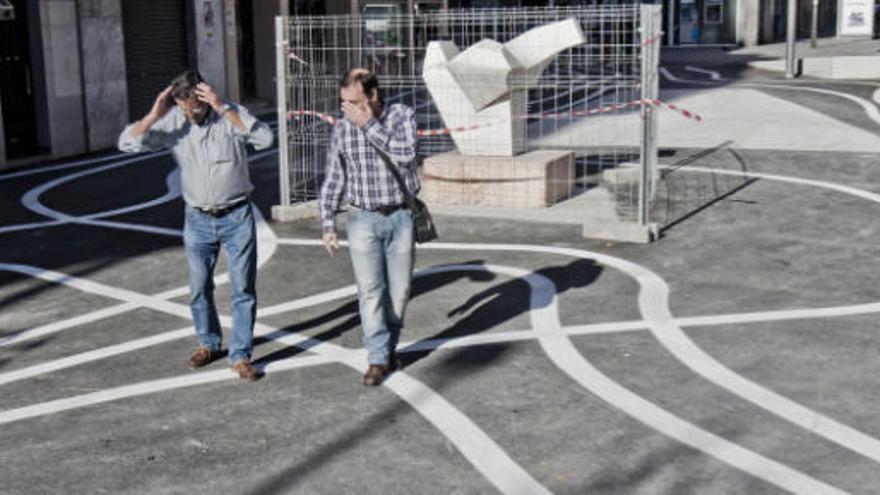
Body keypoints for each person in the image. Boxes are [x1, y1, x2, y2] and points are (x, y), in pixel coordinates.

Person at [118, 70, 273, 380]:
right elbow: (127, 143)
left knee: (243, 288)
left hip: (236, 214)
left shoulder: (227, 112)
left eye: (196, 107)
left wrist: (222, 108)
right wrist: (153, 114)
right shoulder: (174, 122)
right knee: (198, 287)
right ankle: (209, 343)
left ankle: (240, 355)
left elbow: (264, 138)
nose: (191, 114)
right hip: (198, 219)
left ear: (204, 96)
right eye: (185, 108)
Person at [319, 68, 419, 386]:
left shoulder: (402, 115)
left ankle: (388, 347)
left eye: (353, 102)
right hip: (361, 218)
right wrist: (328, 223)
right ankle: (377, 357)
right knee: (370, 292)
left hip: (401, 217)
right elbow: (334, 176)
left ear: (372, 96)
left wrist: (369, 125)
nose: (346, 109)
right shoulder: (342, 128)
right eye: (343, 103)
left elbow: (406, 153)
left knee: (399, 293)